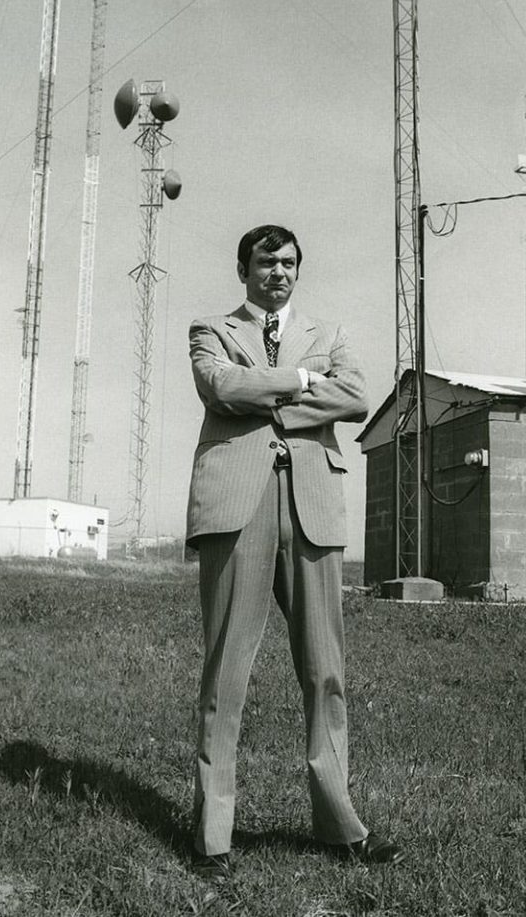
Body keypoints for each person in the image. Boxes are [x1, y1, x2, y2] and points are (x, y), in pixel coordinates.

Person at [185, 224, 404, 881]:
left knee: (325, 671)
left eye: (287, 262)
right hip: (238, 510)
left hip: (312, 510)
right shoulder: (211, 328)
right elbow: (218, 386)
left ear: (297, 270)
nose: (277, 271)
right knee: (226, 674)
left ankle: (340, 828)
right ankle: (211, 837)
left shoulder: (329, 334)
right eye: (264, 261)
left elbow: (357, 396)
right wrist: (303, 382)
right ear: (243, 268)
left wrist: (270, 394)